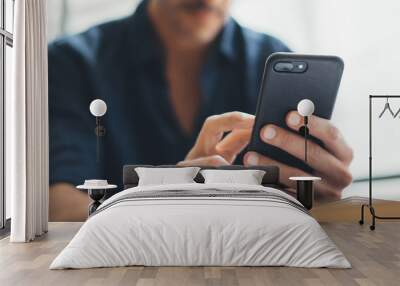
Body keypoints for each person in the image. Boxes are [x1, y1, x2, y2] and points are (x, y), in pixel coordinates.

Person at [49, 0, 353, 221]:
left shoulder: (271, 57)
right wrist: (163, 204)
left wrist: (314, 198)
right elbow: (55, 204)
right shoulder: (72, 63)